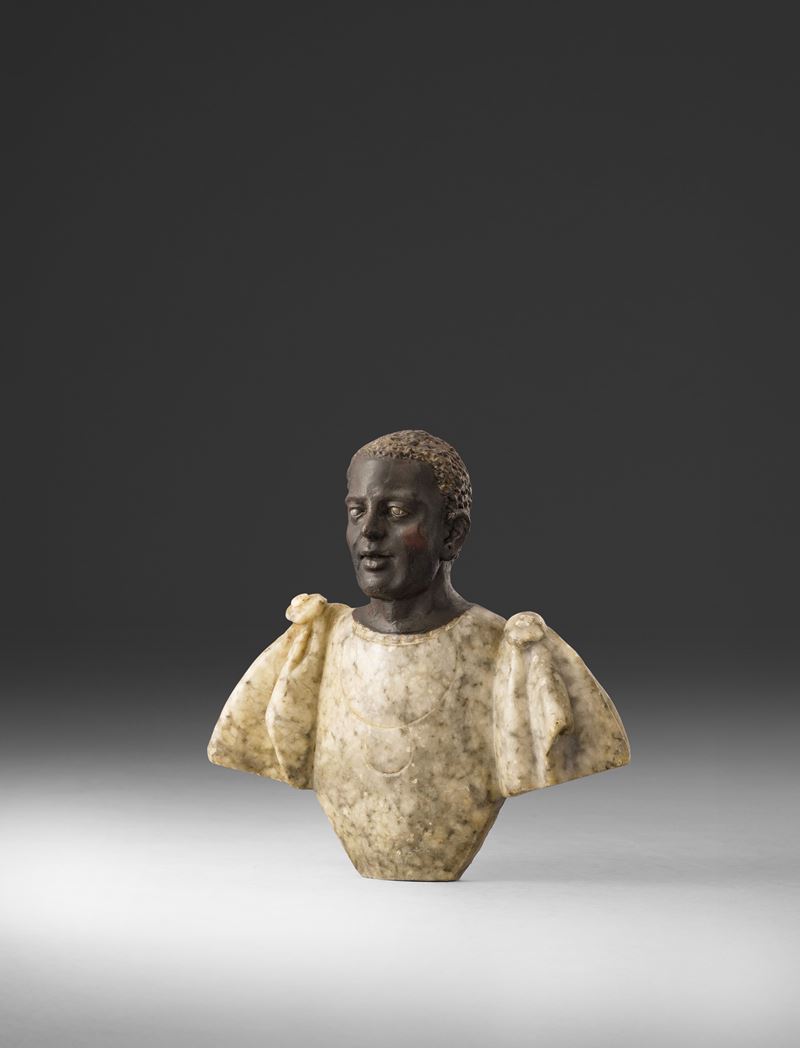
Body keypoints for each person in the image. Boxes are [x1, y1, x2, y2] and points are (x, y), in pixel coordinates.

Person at [208, 430, 630, 881]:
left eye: (396, 512)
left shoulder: (510, 651)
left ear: (452, 534)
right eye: (357, 511)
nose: (369, 531)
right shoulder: (314, 645)